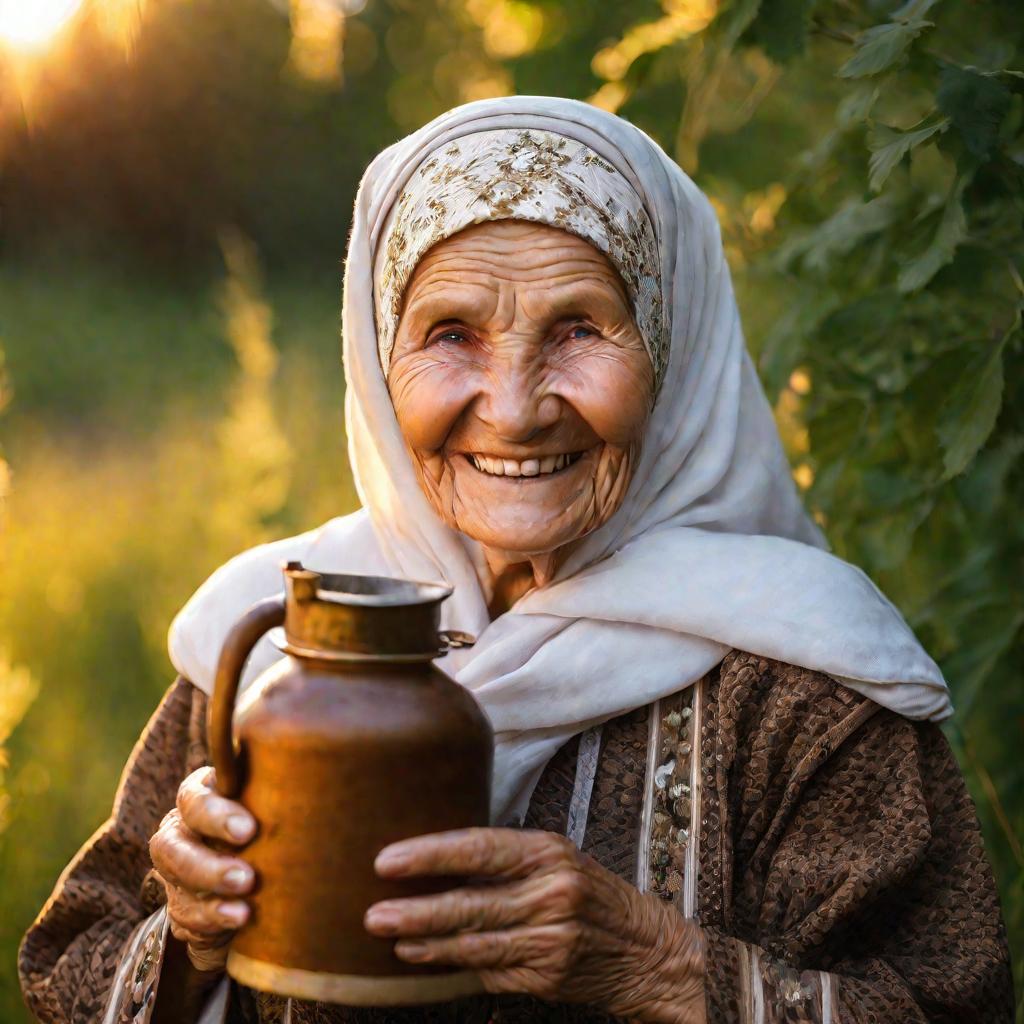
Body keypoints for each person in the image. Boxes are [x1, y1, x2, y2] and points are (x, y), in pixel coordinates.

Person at [19, 97, 1013, 1024]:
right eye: (449, 333)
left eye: (579, 328)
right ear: (376, 358)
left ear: (670, 346)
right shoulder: (283, 643)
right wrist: (190, 933)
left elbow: (953, 1001)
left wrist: (660, 965)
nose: (513, 406)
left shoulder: (807, 680)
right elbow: (70, 971)